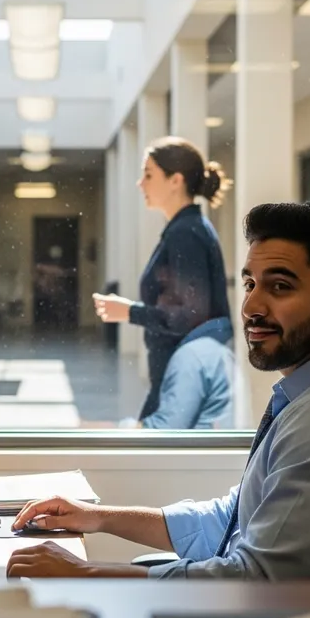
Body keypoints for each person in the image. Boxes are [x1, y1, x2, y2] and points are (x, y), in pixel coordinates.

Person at [7, 202, 310, 580]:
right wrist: (94, 517)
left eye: (279, 287)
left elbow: (255, 581)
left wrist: (86, 574)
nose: (251, 306)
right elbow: (230, 519)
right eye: (250, 283)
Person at [92, 137, 232, 421]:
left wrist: (129, 312)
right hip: (179, 378)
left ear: (175, 181)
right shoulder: (186, 229)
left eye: (148, 174)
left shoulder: (186, 233)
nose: (139, 183)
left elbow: (189, 315)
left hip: (182, 381)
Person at [117, 315, 234, 430]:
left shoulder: (192, 356)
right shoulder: (217, 344)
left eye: (175, 302)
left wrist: (123, 429)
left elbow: (169, 428)